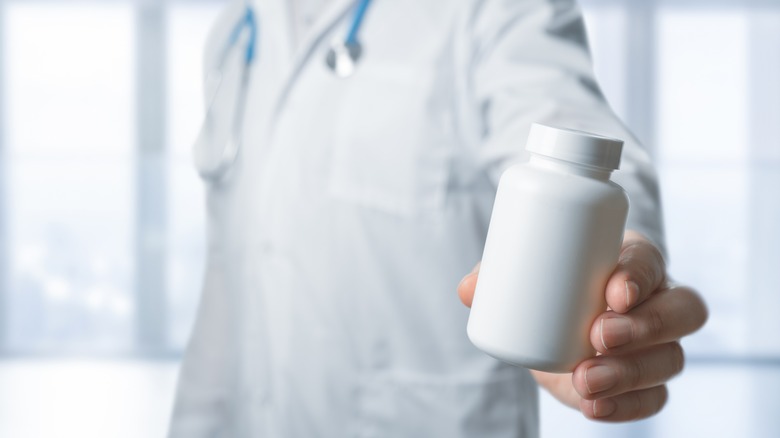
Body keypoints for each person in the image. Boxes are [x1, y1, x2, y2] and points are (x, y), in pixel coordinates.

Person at [169, 0, 708, 436]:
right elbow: (230, 283)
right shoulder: (236, 30)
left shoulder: (489, 12)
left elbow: (571, 143)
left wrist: (618, 263)